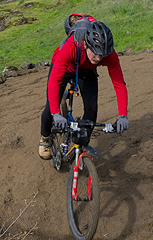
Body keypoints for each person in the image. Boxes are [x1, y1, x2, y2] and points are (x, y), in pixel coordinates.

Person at [38, 14, 129, 160]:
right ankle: (45, 137)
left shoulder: (108, 54)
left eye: (102, 55)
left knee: (92, 108)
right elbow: (54, 81)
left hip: (87, 71)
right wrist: (56, 113)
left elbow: (119, 84)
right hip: (66, 68)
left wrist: (123, 115)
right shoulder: (70, 47)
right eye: (96, 54)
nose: (99, 59)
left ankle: (82, 145)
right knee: (50, 107)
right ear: (86, 44)